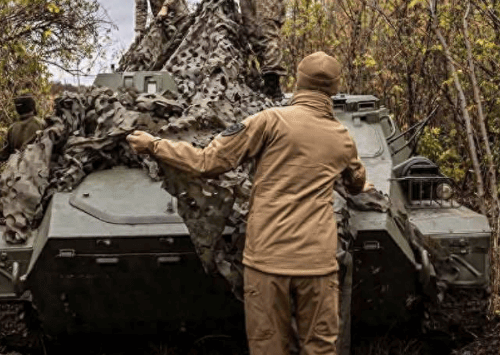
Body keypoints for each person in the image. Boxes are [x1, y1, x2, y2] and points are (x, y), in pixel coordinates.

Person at [127, 51, 368, 355]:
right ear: (333, 89)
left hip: (267, 261)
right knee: (321, 349)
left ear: (299, 82)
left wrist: (154, 145)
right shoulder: (342, 138)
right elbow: (356, 184)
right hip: (318, 265)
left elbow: (207, 162)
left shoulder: (270, 121)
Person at [0, 94, 47, 162]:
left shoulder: (12, 128)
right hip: (37, 168)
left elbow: (4, 154)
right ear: (33, 107)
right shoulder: (41, 124)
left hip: (18, 168)